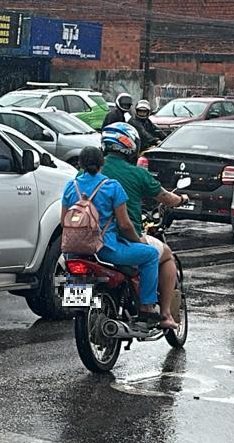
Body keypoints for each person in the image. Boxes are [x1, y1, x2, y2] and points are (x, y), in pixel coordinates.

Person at [62, 145, 168, 328]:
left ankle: (77, 302)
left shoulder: (71, 186)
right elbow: (125, 225)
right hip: (105, 250)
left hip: (73, 251)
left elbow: (64, 220)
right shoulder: (111, 186)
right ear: (102, 163)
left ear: (80, 164)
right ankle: (146, 308)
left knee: (73, 271)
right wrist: (139, 240)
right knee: (150, 254)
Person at [98, 122, 188, 329]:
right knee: (165, 256)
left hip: (86, 242)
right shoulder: (135, 175)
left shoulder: (85, 176)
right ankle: (161, 313)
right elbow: (164, 199)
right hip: (117, 242)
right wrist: (182, 198)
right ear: (130, 145)